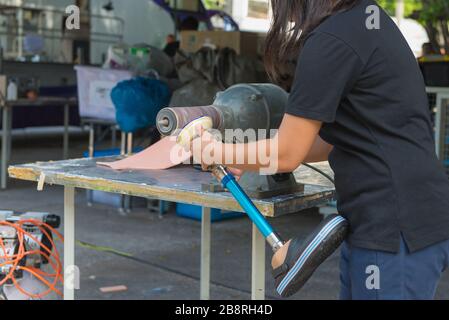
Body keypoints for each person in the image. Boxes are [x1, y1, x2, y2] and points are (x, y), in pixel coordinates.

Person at [189, 0, 449, 300]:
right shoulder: (366, 18)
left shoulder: (331, 40)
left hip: (393, 230)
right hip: (395, 220)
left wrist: (214, 151)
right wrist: (242, 159)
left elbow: (288, 152)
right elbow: (329, 140)